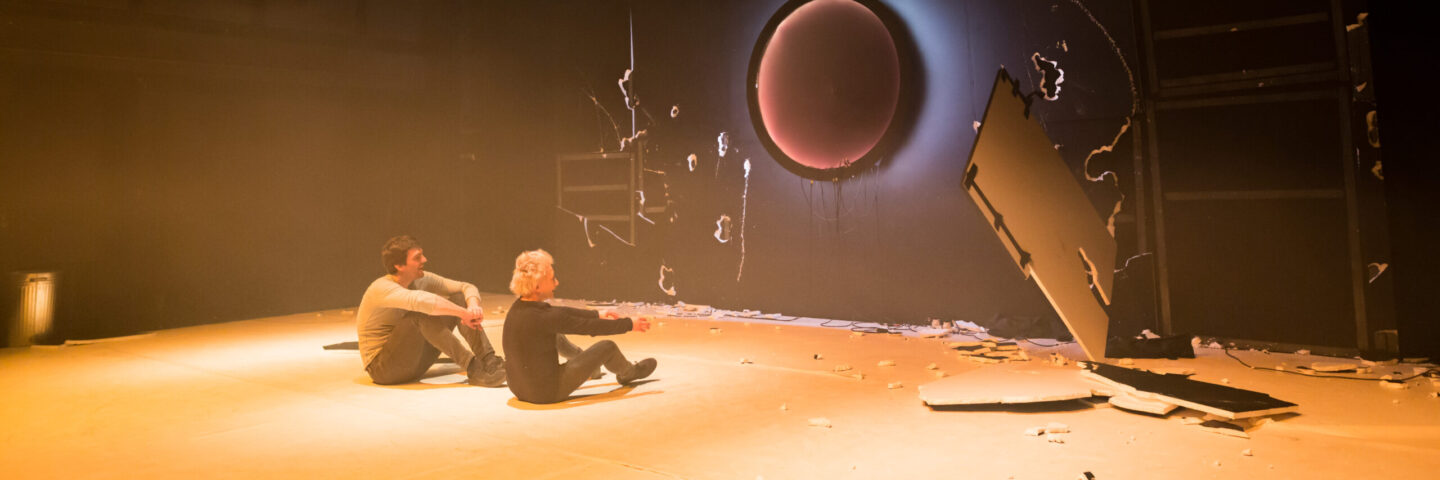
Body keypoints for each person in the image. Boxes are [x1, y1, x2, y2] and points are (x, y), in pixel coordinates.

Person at [503, 249, 656, 404]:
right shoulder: (546, 317)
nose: (557, 283)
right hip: (546, 392)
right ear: (537, 287)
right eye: (552, 279)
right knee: (607, 347)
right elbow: (590, 328)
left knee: (555, 334)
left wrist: (596, 314)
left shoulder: (517, 309)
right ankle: (628, 373)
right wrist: (630, 324)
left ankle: (591, 368)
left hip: (517, 387)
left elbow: (561, 312)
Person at [356, 235, 506, 386]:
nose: (424, 260)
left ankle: (489, 359)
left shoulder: (421, 279)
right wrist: (463, 313)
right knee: (420, 315)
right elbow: (422, 301)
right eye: (417, 257)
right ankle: (473, 368)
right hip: (383, 370)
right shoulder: (381, 288)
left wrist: (473, 306)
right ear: (399, 266)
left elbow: (465, 287)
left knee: (460, 298)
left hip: (415, 362)